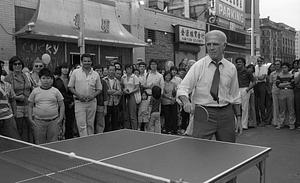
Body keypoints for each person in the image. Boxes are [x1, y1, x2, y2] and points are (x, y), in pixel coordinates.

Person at [177, 30, 241, 183]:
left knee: (228, 154)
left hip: (226, 115)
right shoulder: (198, 66)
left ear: (224, 46)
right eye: (209, 44)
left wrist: (238, 118)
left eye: (215, 44)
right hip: (203, 114)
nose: (211, 48)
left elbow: (235, 95)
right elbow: (182, 88)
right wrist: (186, 102)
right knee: (199, 154)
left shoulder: (231, 68)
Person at [68, 53, 102, 137]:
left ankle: (90, 140)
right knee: (81, 124)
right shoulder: (75, 72)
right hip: (79, 102)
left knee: (90, 123)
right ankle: (83, 141)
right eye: (85, 61)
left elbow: (99, 89)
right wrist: (78, 95)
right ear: (81, 62)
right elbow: (70, 87)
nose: (87, 63)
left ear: (91, 62)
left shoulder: (95, 74)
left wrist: (93, 95)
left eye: (88, 61)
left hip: (91, 102)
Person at [28, 68, 65, 144]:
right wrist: (30, 118)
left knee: (53, 143)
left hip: (54, 121)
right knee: (39, 143)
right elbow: (30, 106)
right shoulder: (35, 91)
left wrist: (61, 118)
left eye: (48, 78)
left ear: (52, 79)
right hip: (38, 122)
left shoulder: (56, 91)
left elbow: (62, 105)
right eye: (43, 78)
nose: (46, 80)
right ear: (40, 79)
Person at [4, 56, 34, 143]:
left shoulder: (27, 76)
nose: (17, 66)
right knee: (19, 129)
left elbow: (31, 88)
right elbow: (6, 95)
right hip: (17, 107)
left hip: (29, 105)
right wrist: (17, 97)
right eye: (15, 64)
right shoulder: (8, 78)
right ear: (11, 66)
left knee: (32, 128)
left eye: (19, 64)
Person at [52, 63, 75, 139]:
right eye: (63, 68)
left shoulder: (71, 79)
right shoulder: (56, 80)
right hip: (59, 103)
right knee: (59, 121)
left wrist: (73, 101)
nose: (65, 70)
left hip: (70, 103)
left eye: (67, 68)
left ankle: (69, 138)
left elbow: (74, 91)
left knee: (69, 122)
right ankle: (59, 137)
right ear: (60, 69)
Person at [235, 57, 255, 130]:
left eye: (240, 62)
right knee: (236, 107)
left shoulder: (247, 72)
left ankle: (244, 125)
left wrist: (248, 89)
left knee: (244, 108)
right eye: (237, 62)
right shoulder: (235, 71)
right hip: (236, 90)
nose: (238, 63)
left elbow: (254, 81)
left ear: (243, 63)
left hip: (244, 89)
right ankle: (237, 124)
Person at [0, 67, 20, 139]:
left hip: (7, 118)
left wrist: (15, 113)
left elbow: (12, 99)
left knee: (14, 144)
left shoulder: (7, 85)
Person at [276, 62, 296, 130]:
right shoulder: (279, 75)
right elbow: (278, 85)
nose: (284, 69)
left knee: (291, 109)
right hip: (281, 92)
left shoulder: (291, 75)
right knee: (282, 109)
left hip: (290, 92)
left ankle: (291, 124)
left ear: (288, 68)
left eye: (285, 67)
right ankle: (280, 124)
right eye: (283, 68)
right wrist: (287, 83)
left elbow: (292, 85)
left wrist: (283, 84)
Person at [121, 64, 140, 130]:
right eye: (128, 68)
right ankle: (127, 128)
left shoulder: (135, 77)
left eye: (131, 68)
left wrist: (131, 92)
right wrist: (124, 90)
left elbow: (137, 88)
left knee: (133, 114)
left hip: (132, 95)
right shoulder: (123, 77)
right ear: (125, 69)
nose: (129, 69)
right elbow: (122, 86)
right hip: (125, 95)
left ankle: (135, 129)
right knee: (126, 114)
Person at [104, 64, 122, 131]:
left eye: (113, 70)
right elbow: (104, 92)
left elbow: (119, 92)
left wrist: (109, 92)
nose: (112, 72)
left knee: (115, 122)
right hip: (107, 104)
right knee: (106, 121)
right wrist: (114, 91)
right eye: (110, 70)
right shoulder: (104, 80)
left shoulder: (117, 80)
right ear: (108, 70)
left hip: (115, 103)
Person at [93, 65, 108, 133]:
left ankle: (99, 135)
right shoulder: (90, 81)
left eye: (100, 71)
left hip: (100, 105)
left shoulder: (103, 82)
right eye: (97, 70)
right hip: (91, 104)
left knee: (100, 123)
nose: (99, 72)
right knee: (90, 122)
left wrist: (105, 107)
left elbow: (105, 95)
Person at [254, 57, 268, 127]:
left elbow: (263, 77)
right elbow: (255, 77)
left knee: (262, 104)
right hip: (256, 85)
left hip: (262, 85)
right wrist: (258, 77)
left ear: (263, 61)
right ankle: (257, 120)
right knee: (255, 104)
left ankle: (264, 120)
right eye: (258, 61)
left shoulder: (264, 67)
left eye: (260, 61)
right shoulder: (255, 67)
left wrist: (256, 77)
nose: (259, 62)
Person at [269, 60, 282, 127]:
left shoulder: (283, 73)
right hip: (275, 90)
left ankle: (282, 121)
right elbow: (271, 83)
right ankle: (276, 121)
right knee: (275, 106)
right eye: (276, 64)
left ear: (280, 65)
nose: (277, 66)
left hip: (282, 90)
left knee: (282, 106)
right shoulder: (272, 74)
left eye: (278, 64)